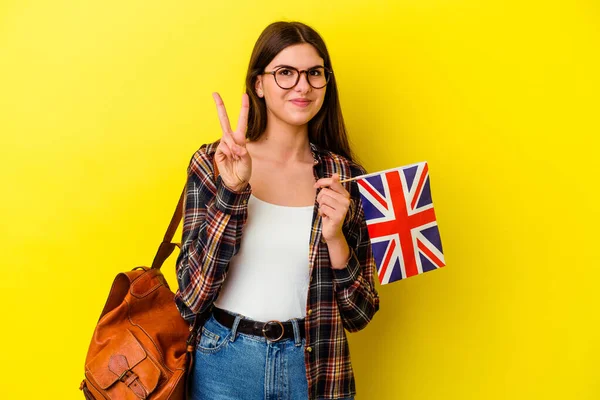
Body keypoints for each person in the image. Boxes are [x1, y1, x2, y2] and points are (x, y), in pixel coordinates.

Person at [174, 21, 380, 400]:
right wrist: (232, 192)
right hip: (224, 362)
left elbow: (360, 313)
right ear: (259, 84)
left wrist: (335, 239)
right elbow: (190, 295)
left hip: (314, 366)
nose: (302, 86)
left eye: (314, 73)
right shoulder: (213, 163)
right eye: (285, 73)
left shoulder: (345, 177)